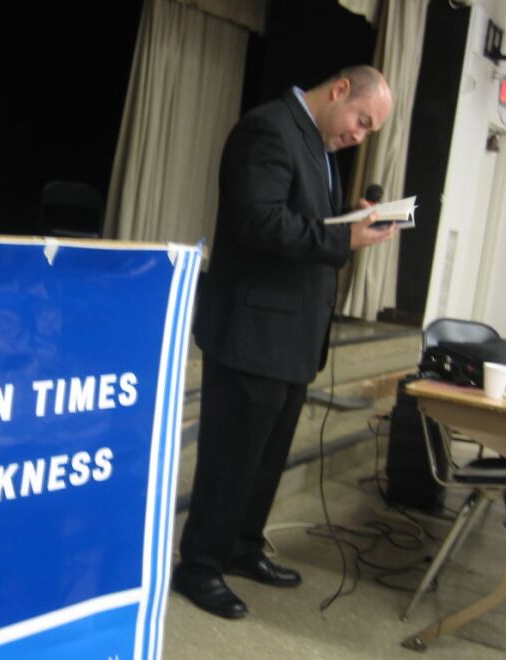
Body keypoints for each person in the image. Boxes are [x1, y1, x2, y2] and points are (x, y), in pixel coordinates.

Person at [173, 65, 397, 619]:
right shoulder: (269, 129)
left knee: (265, 458)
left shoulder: (318, 145)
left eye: (370, 132)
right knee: (231, 459)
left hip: (292, 334)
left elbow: (303, 222)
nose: (359, 135)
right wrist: (344, 236)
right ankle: (199, 566)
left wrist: (349, 220)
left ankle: (244, 548)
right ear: (340, 89)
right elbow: (259, 221)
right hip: (252, 330)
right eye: (361, 122)